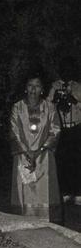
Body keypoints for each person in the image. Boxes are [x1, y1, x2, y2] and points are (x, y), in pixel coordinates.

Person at [10, 73, 62, 221]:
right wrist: (27, 154)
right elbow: (14, 133)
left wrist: (39, 151)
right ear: (25, 88)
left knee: (45, 191)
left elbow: (55, 130)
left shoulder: (50, 108)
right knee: (24, 192)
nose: (33, 89)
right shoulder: (17, 108)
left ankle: (47, 224)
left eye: (37, 85)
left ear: (42, 89)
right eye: (30, 85)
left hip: (44, 158)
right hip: (22, 157)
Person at [47, 57, 81, 205]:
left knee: (77, 160)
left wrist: (73, 98)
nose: (66, 72)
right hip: (63, 128)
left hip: (77, 127)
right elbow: (47, 106)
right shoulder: (56, 86)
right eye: (63, 68)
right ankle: (66, 192)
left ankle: (78, 193)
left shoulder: (78, 86)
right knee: (63, 161)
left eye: (69, 68)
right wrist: (54, 95)